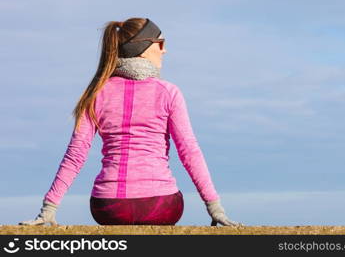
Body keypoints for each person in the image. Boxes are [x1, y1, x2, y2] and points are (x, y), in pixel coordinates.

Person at [18, 17, 243, 226]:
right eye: (161, 43)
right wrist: (214, 207)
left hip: (108, 207)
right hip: (161, 205)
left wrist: (49, 208)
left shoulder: (96, 94)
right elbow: (189, 151)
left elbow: (76, 154)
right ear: (144, 48)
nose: (165, 50)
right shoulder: (168, 92)